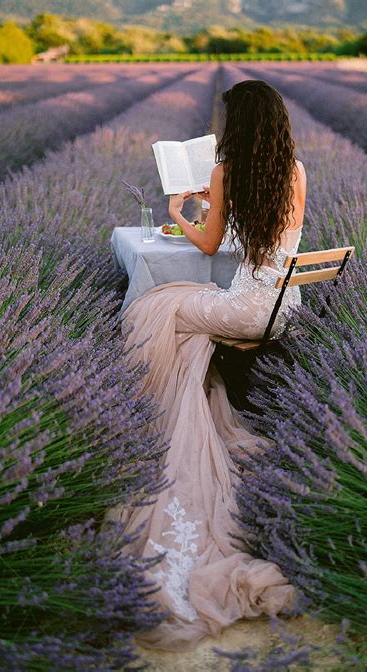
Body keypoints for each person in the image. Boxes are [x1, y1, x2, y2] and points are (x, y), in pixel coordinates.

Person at [105, 79, 306, 651]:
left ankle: (161, 418)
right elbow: (266, 243)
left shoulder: (225, 172)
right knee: (186, 328)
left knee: (155, 307)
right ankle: (200, 406)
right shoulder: (294, 171)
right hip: (281, 306)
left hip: (243, 311)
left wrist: (182, 211)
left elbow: (209, 246)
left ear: (234, 124)